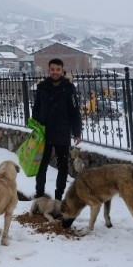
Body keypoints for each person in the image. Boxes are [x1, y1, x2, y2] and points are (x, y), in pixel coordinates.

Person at [32, 58, 82, 200]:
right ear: (49, 70)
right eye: (52, 69)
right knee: (41, 165)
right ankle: (40, 195)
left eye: (57, 70)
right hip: (44, 133)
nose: (55, 72)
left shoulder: (69, 88)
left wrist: (77, 132)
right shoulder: (42, 87)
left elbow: (74, 111)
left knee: (63, 167)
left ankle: (59, 198)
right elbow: (36, 108)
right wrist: (35, 125)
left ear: (62, 70)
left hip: (62, 132)